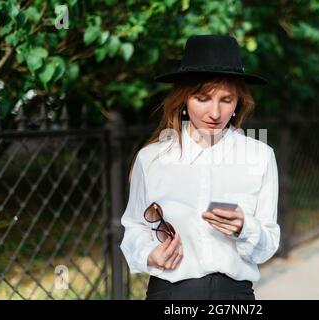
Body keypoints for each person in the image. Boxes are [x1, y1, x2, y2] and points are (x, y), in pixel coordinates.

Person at [119, 34, 280, 300]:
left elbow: (268, 244)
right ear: (184, 99)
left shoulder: (260, 157)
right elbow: (134, 227)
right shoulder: (152, 159)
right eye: (203, 98)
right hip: (169, 294)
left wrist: (245, 228)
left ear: (239, 101)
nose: (215, 113)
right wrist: (150, 253)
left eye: (226, 100)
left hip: (235, 297)